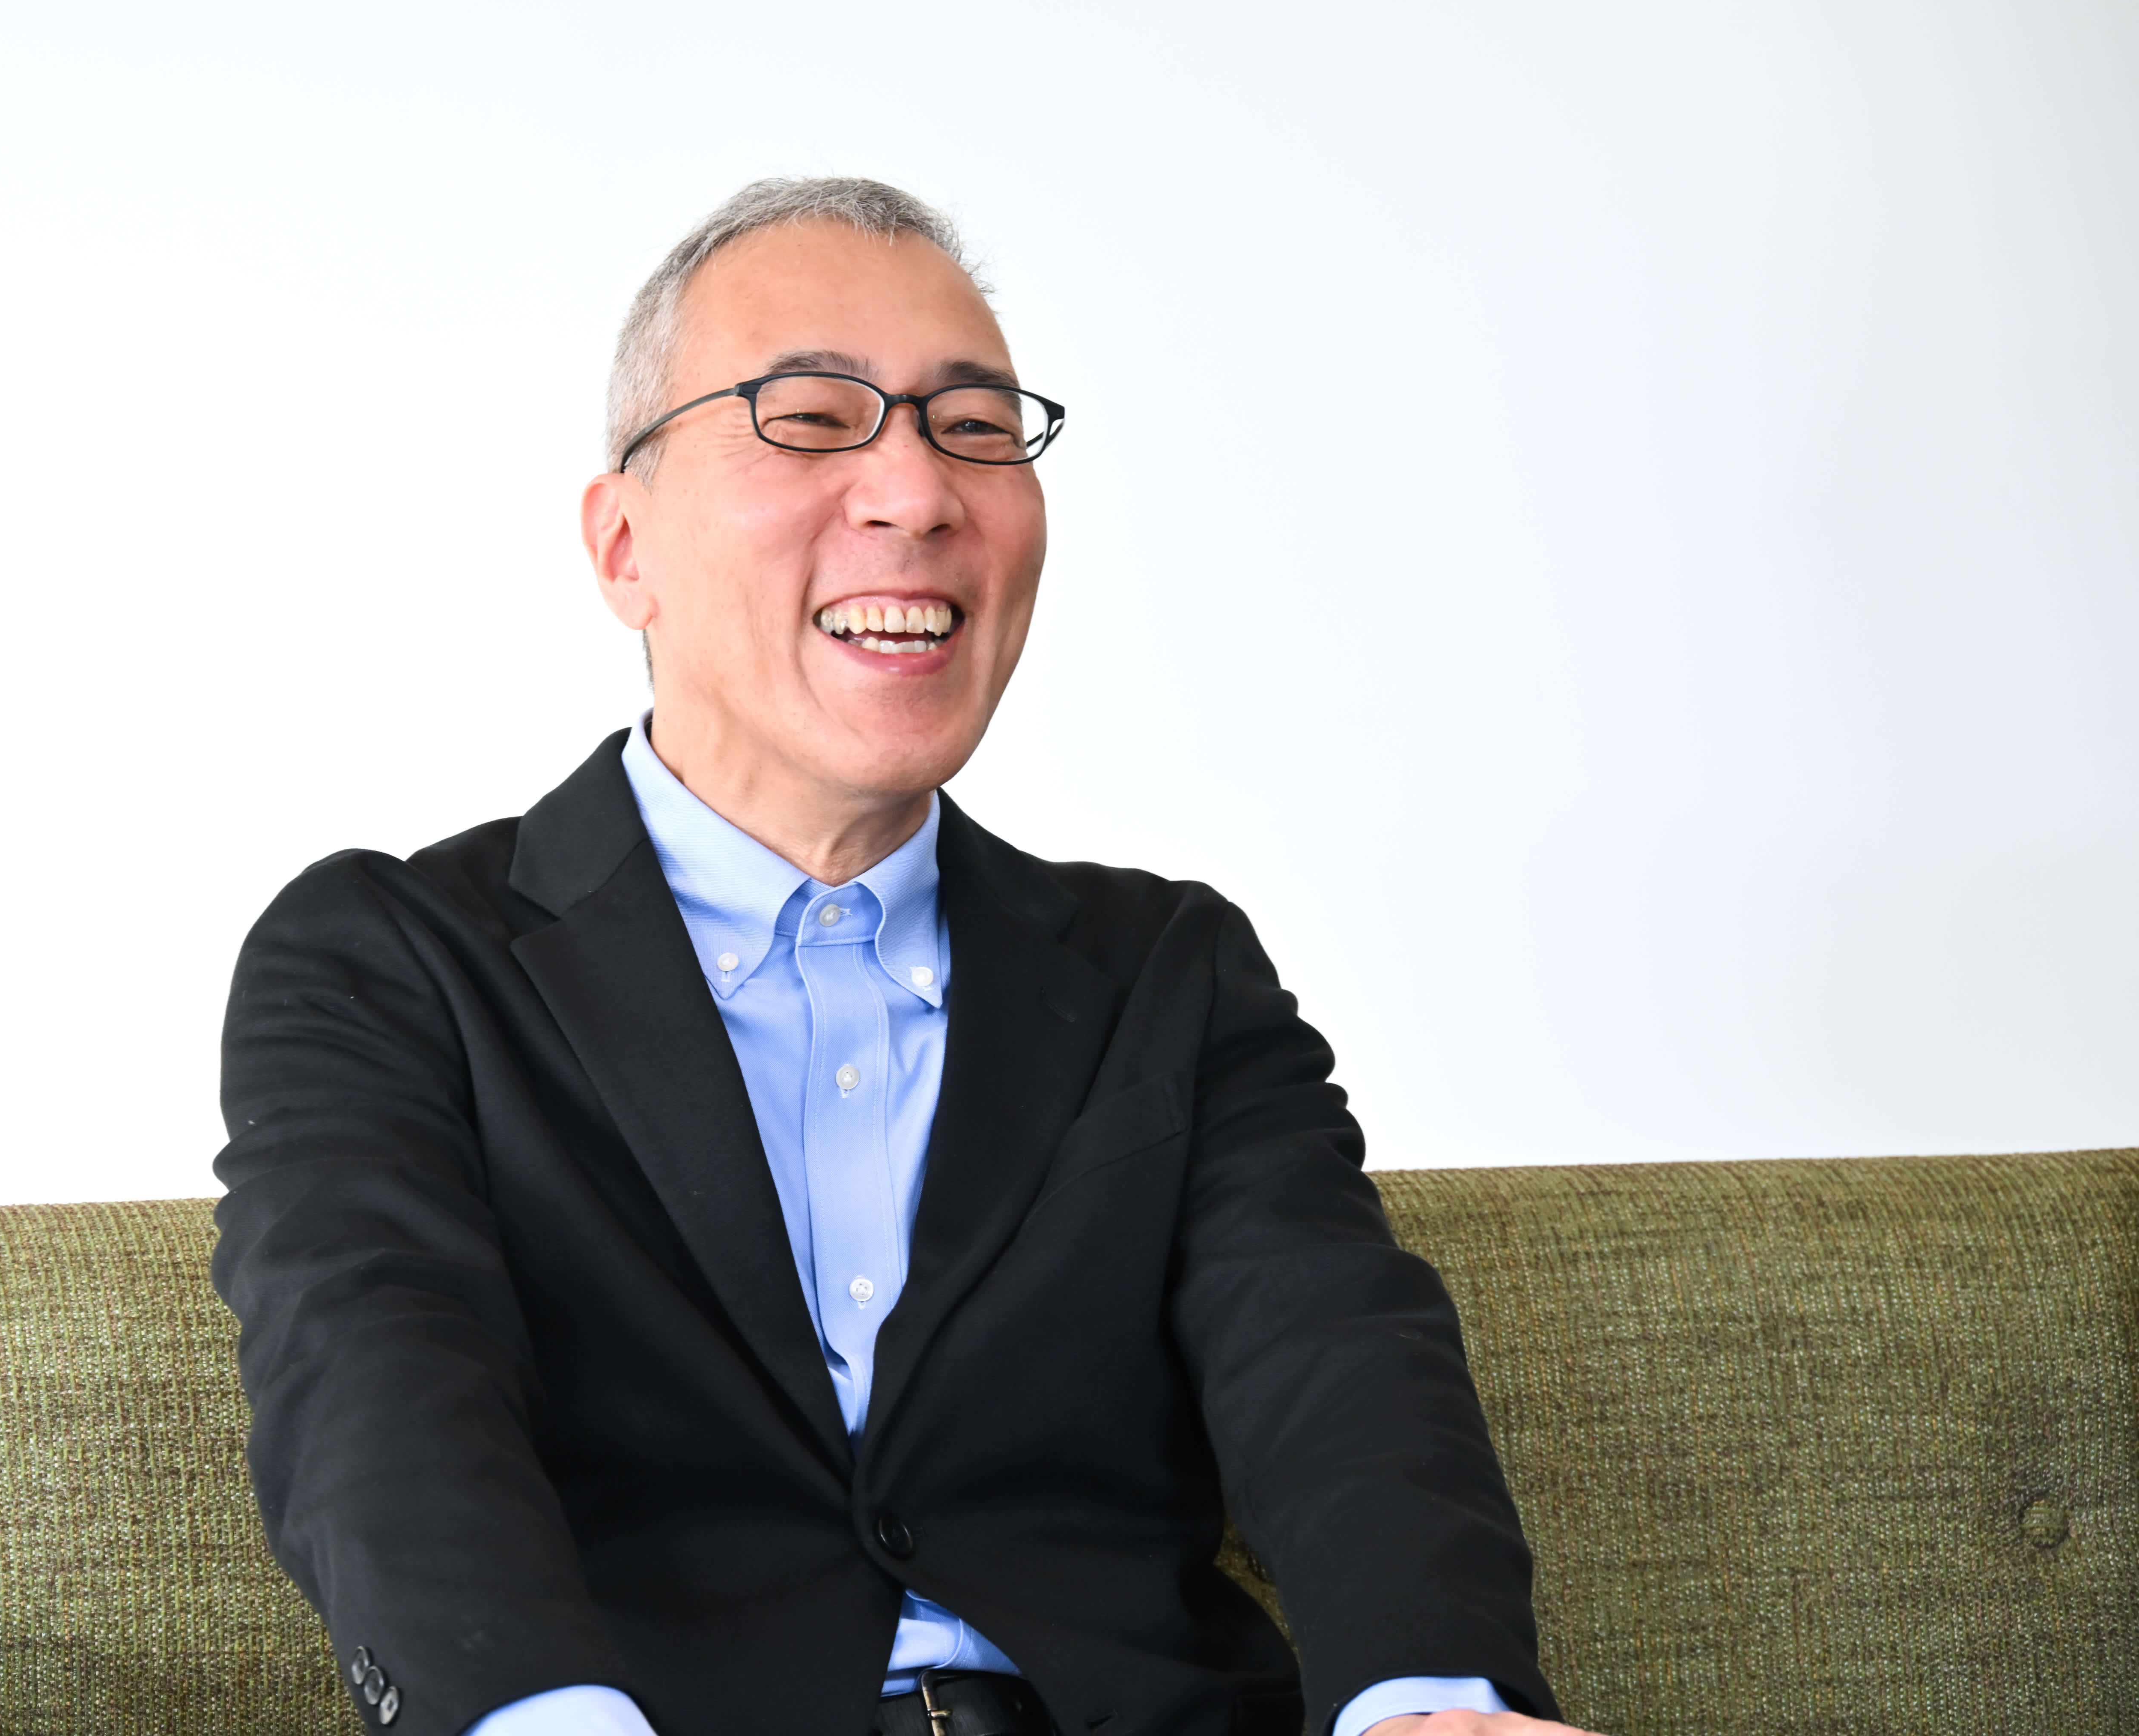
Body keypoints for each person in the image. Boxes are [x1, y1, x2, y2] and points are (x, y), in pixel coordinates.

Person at [212, 178, 1601, 1736]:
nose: (916, 492)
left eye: (976, 427)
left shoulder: (1169, 972)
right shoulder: (391, 963)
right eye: (811, 419)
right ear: (624, 545)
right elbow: (381, 1382)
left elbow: (1330, 1354)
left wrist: (1431, 1704)